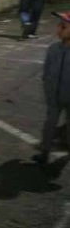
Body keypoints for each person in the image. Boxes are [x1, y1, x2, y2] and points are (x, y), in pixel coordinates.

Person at [34, 11, 70, 164]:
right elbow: (47, 70)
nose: (59, 30)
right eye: (59, 26)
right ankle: (45, 151)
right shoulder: (54, 49)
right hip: (54, 95)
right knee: (50, 123)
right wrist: (47, 87)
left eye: (64, 26)